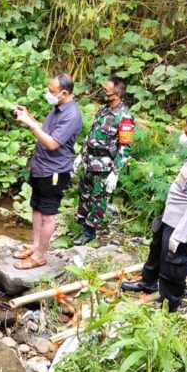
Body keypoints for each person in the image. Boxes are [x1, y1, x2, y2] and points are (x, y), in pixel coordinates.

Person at [122, 112, 187, 311]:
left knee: (173, 265)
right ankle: (148, 282)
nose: (183, 136)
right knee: (156, 250)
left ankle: (170, 306)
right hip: (173, 218)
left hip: (186, 226)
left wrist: (181, 235)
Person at [12, 73, 83, 269]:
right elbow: (45, 130)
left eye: (52, 91)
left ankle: (40, 256)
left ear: (65, 93)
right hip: (41, 167)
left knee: (47, 214)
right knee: (36, 207)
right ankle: (35, 247)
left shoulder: (72, 115)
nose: (48, 94)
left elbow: (52, 143)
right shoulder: (57, 108)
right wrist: (29, 117)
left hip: (55, 171)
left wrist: (29, 124)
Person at [73, 76, 135, 245]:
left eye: (107, 89)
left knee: (97, 198)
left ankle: (90, 232)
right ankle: (82, 224)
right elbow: (91, 135)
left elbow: (125, 147)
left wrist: (115, 173)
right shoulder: (103, 110)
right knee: (84, 193)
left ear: (117, 93)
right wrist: (80, 155)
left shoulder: (124, 117)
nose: (103, 91)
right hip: (89, 161)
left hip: (104, 166)